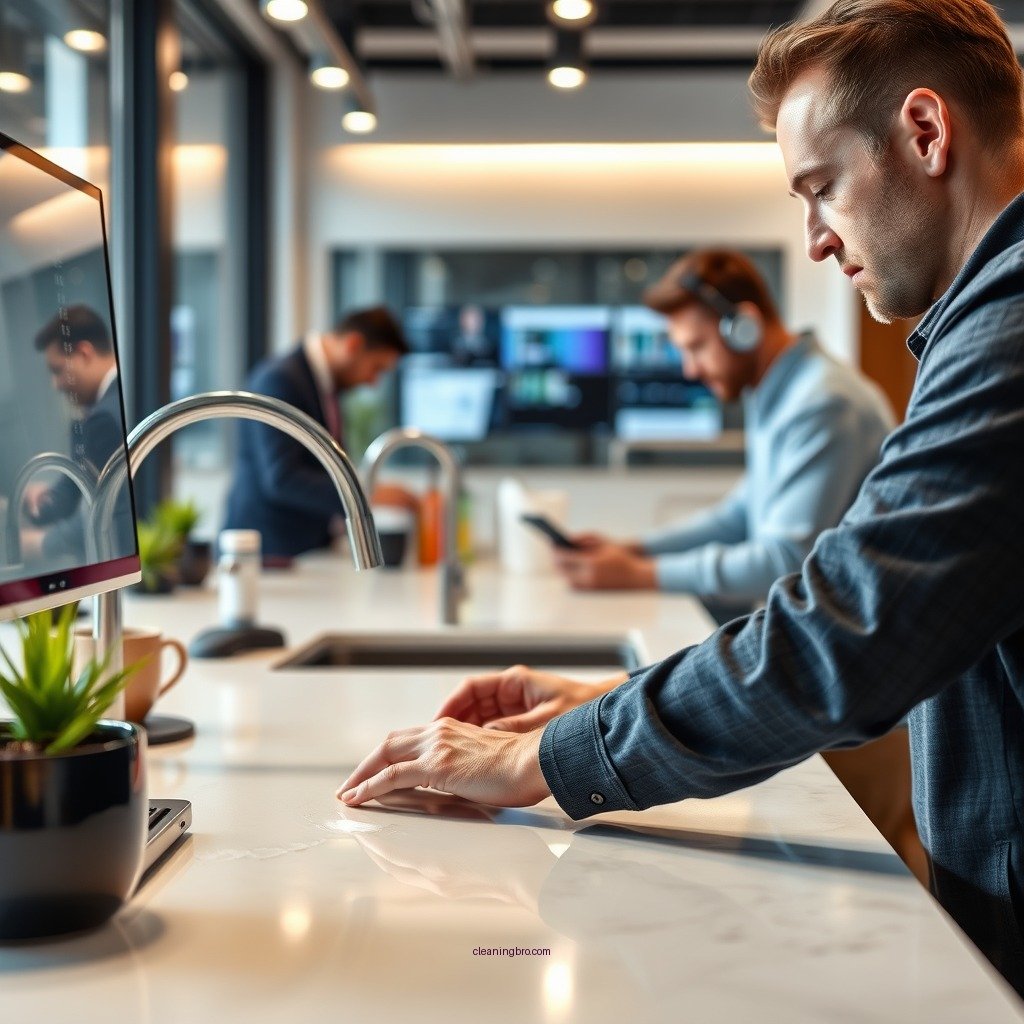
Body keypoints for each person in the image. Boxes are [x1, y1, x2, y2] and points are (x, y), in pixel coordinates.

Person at [338, 0, 1024, 995]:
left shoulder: (1005, 343)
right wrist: (607, 704)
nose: (817, 242)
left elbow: (844, 630)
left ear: (923, 133)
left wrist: (552, 758)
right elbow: (882, 611)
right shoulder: (979, 334)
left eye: (821, 188)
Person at [554, 249, 894, 625]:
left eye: (696, 347)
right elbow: (740, 514)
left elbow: (784, 559)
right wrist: (634, 550)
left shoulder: (823, 403)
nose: (690, 370)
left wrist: (637, 574)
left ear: (743, 326)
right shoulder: (775, 390)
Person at [223, 306, 411, 562]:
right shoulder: (280, 379)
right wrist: (366, 493)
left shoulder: (323, 385)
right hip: (267, 553)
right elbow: (283, 478)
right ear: (354, 344)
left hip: (301, 551)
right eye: (376, 368)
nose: (373, 382)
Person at [21, 305, 127, 564]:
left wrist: (36, 544)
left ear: (84, 352)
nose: (55, 385)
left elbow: (104, 516)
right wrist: (47, 499)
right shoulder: (118, 400)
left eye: (57, 370)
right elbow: (78, 488)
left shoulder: (104, 419)